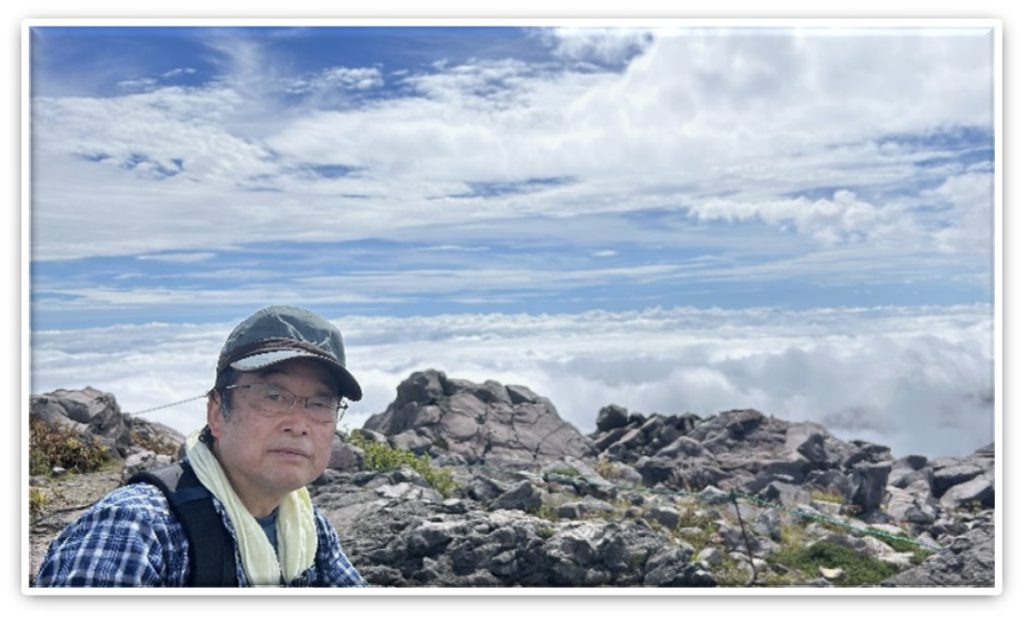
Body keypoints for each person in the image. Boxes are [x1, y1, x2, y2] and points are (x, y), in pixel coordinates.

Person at [35, 306, 368, 587]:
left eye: (321, 404)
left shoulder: (306, 526)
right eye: (273, 396)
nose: (299, 424)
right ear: (216, 412)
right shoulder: (136, 530)